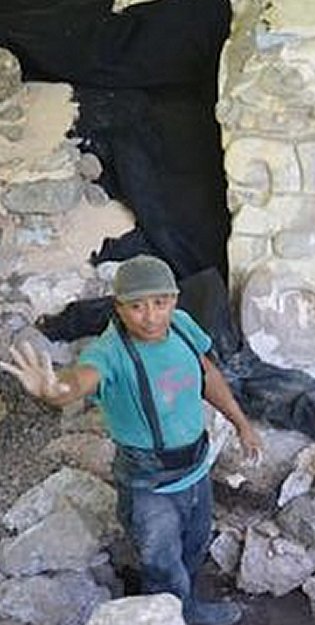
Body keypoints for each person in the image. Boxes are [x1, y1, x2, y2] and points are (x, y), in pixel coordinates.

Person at [0, 255, 263, 625]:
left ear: (174, 300)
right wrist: (53, 389)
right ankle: (165, 614)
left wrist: (241, 423)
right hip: (148, 486)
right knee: (161, 564)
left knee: (194, 547)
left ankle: (188, 611)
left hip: (195, 470)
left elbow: (207, 375)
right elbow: (79, 380)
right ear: (119, 308)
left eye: (160, 302)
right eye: (136, 306)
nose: (151, 316)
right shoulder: (109, 353)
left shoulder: (183, 327)